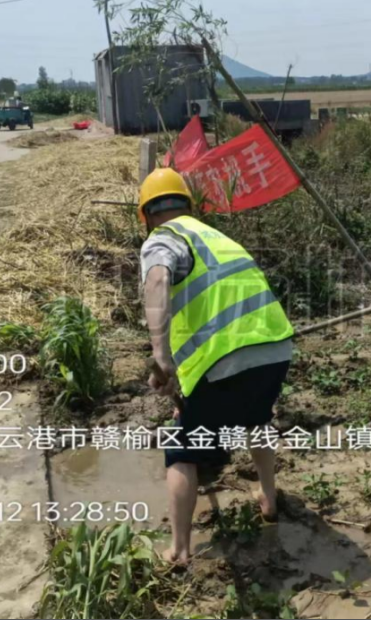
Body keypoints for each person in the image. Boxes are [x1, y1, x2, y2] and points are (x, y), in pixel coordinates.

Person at [136, 168, 294, 565]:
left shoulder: (163, 238)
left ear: (147, 215)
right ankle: (269, 499)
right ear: (187, 205)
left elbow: (157, 280)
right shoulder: (217, 237)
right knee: (257, 419)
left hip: (226, 359)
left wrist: (159, 353)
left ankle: (180, 549)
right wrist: (184, 388)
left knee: (181, 451)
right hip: (275, 347)